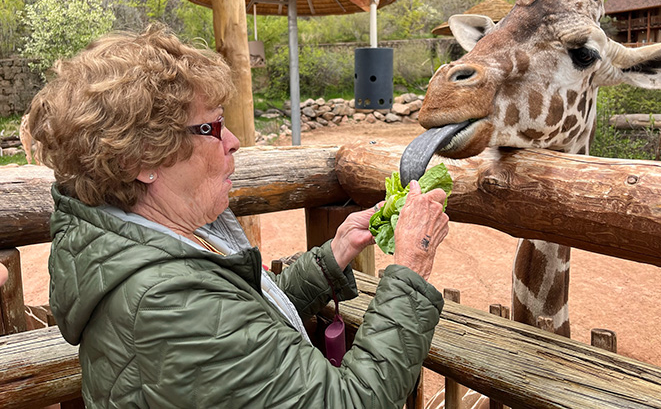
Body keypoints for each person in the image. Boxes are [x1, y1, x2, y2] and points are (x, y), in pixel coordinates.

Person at [28, 25, 450, 408]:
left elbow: (241, 327)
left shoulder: (144, 242)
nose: (232, 141)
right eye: (211, 128)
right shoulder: (167, 302)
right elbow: (351, 402)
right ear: (141, 157)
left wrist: (331, 258)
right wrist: (411, 267)